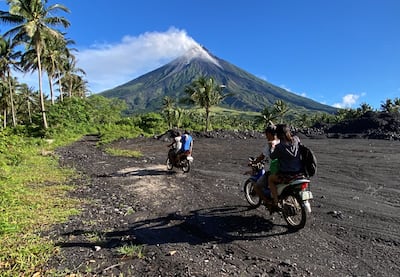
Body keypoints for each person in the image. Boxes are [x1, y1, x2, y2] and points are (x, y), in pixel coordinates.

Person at [268, 124, 303, 210]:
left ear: (279, 134)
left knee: (270, 179)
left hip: (286, 175)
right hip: (299, 173)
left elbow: (272, 156)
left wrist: (272, 147)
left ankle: (276, 202)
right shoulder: (296, 139)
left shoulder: (280, 147)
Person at [253, 124, 280, 207]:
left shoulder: (270, 144)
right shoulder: (282, 141)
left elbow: (261, 157)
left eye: (266, 134)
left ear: (269, 134)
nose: (266, 136)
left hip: (276, 171)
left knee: (257, 186)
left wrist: (254, 162)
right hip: (287, 170)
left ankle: (268, 202)